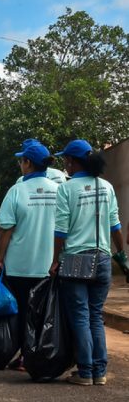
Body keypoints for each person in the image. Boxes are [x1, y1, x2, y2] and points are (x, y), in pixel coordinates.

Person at [50, 139, 125, 386]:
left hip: (75, 258)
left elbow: (60, 230)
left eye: (66, 160)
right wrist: (121, 253)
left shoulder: (67, 189)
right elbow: (115, 226)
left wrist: (54, 260)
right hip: (102, 257)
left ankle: (85, 371)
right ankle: (99, 372)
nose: (65, 165)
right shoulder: (106, 187)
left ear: (73, 162)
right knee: (95, 316)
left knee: (81, 317)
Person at [0, 141, 58, 372]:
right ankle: (39, 357)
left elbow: (6, 229)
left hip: (20, 266)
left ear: (28, 163)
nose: (20, 164)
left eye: (21, 160)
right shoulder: (58, 190)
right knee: (43, 314)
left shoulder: (16, 190)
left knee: (22, 314)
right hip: (49, 266)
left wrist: (0, 259)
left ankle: (24, 358)